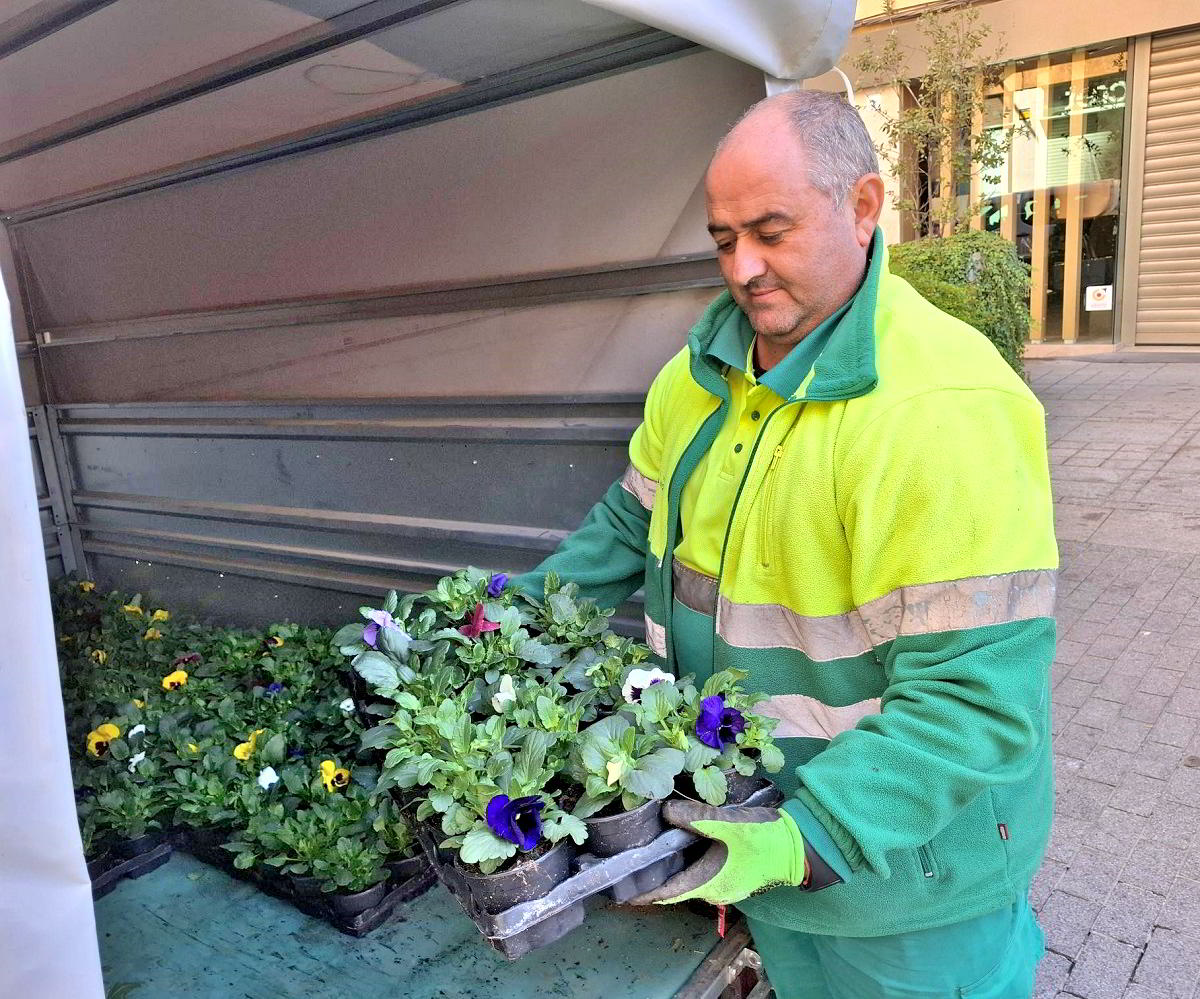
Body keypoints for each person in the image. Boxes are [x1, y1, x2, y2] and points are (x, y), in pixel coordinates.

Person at [514, 90, 1056, 998]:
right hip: (764, 851)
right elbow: (624, 526)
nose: (746, 267)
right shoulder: (698, 378)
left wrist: (812, 841)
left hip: (900, 890)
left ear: (864, 205)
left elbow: (979, 697)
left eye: (772, 229)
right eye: (725, 239)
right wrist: (498, 619)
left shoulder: (945, 411)